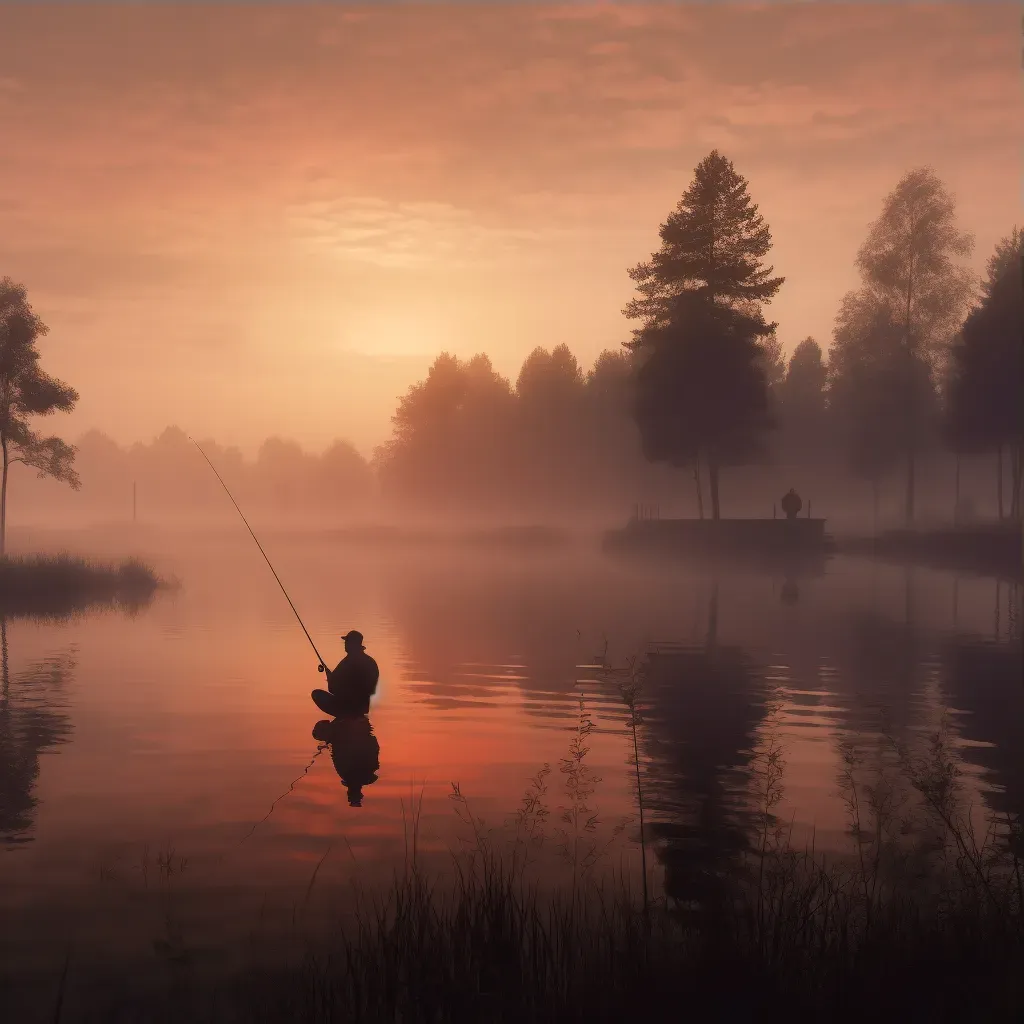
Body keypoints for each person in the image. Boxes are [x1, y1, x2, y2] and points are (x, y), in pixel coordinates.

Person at [312, 715, 380, 807]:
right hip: (357, 729)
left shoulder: (346, 773)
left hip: (355, 729)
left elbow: (374, 747)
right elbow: (374, 748)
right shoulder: (348, 774)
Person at [312, 630, 379, 716]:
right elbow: (371, 689)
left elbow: (332, 688)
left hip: (347, 707)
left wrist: (330, 677)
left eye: (347, 642)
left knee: (316, 694)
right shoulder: (371, 662)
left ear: (352, 644)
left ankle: (342, 718)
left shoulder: (347, 662)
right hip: (363, 707)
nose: (345, 644)